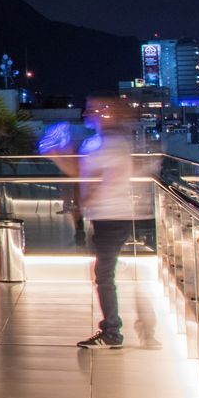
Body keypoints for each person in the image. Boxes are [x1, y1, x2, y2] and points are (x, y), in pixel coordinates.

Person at [52, 96, 153, 349]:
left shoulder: (111, 144)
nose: (88, 113)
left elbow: (106, 176)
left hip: (112, 217)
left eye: (94, 109)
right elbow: (81, 172)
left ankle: (114, 331)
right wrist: (56, 154)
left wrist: (92, 195)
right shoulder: (96, 143)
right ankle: (128, 328)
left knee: (104, 275)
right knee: (106, 274)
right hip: (104, 216)